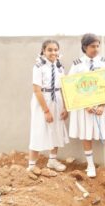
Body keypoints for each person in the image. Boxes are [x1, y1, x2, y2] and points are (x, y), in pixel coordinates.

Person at [69, 33, 105, 178]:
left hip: (103, 105)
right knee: (86, 134)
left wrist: (102, 105)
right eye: (92, 46)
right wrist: (85, 105)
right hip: (84, 108)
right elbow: (72, 87)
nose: (96, 49)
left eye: (97, 46)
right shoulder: (77, 65)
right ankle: (90, 165)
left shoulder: (104, 63)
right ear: (85, 47)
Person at [28, 40, 68, 172]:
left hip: (57, 99)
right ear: (44, 51)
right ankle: (32, 165)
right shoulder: (38, 67)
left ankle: (52, 160)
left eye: (56, 50)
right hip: (43, 100)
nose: (53, 52)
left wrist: (65, 107)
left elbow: (64, 88)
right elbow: (36, 90)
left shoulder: (60, 67)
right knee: (39, 129)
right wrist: (46, 111)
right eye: (50, 50)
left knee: (56, 128)